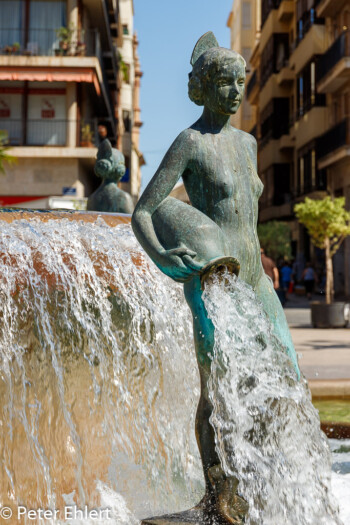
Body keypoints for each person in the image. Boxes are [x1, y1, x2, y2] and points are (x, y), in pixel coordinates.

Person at [132, 32, 300, 523]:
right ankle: (216, 494)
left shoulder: (247, 144)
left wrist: (265, 263)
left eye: (238, 81)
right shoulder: (190, 141)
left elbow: (244, 213)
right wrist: (165, 259)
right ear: (202, 88)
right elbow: (144, 210)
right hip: (213, 278)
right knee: (217, 386)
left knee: (284, 373)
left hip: (255, 280)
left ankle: (258, 479)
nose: (234, 90)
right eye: (223, 82)